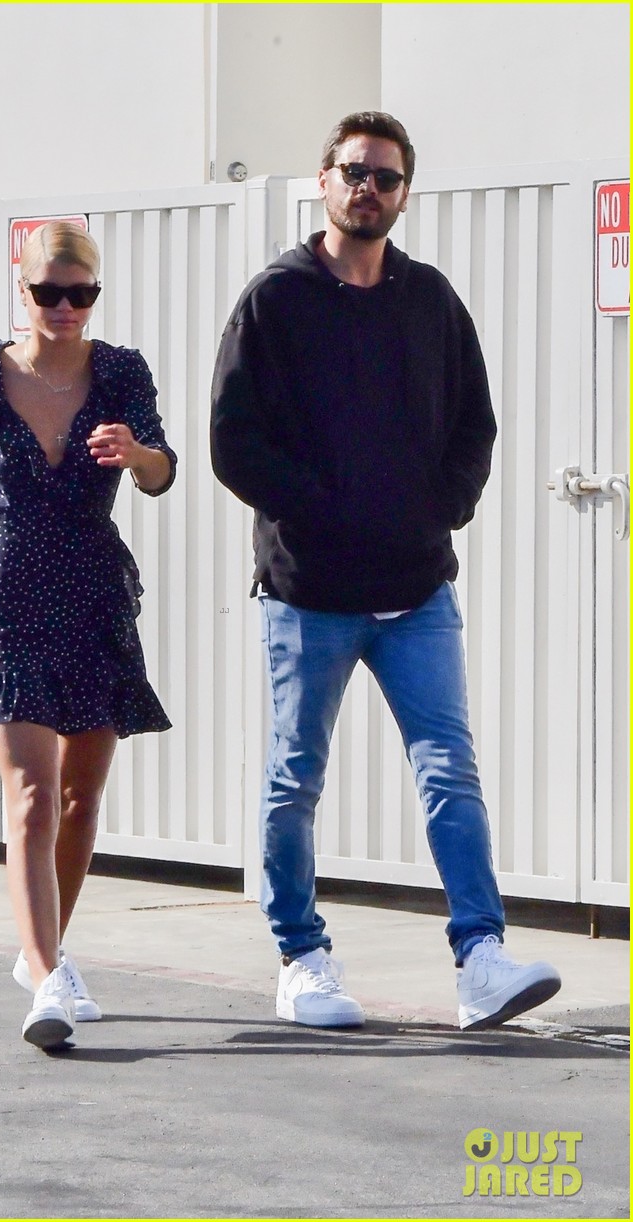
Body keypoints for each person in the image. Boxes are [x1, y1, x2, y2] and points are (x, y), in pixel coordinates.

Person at [210, 111, 561, 1032]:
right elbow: (232, 442)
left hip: (416, 588)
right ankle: (301, 958)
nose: (369, 189)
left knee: (450, 769)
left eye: (387, 177)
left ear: (404, 193)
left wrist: (441, 507)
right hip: (308, 593)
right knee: (295, 778)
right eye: (355, 172)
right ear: (323, 179)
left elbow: (475, 423)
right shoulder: (275, 300)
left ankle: (480, 959)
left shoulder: (429, 299)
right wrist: (322, 509)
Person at [0, 221, 176, 1049]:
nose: (65, 307)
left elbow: (163, 471)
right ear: (22, 289)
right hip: (8, 599)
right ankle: (47, 979)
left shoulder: (121, 372)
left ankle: (45, 954)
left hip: (95, 594)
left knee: (79, 798)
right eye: (49, 292)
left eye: (81, 293)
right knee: (31, 794)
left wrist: (136, 453)